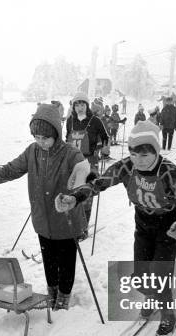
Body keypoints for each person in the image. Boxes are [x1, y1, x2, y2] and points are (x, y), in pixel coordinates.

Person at [56, 121, 176, 335]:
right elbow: (99, 183)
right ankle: (151, 296)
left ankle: (167, 312)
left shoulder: (168, 171)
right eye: (134, 154)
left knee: (159, 274)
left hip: (168, 226)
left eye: (144, 155)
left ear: (156, 151)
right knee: (142, 276)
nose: (138, 161)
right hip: (143, 224)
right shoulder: (127, 166)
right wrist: (74, 198)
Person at [0, 103, 90, 311]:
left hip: (65, 219)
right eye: (37, 138)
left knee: (66, 261)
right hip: (43, 219)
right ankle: (52, 292)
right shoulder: (32, 152)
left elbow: (84, 172)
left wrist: (78, 192)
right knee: (49, 259)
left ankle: (64, 296)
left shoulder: (70, 153)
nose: (41, 142)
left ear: (56, 134)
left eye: (45, 138)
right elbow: (9, 170)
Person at [65, 92, 109, 239]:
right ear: (73, 106)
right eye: (77, 105)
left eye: (82, 104)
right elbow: (66, 139)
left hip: (89, 161)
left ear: (87, 105)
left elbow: (105, 137)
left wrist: (105, 147)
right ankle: (73, 225)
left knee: (86, 196)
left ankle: (83, 229)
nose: (80, 107)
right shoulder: (70, 121)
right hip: (73, 162)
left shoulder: (95, 121)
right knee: (72, 193)